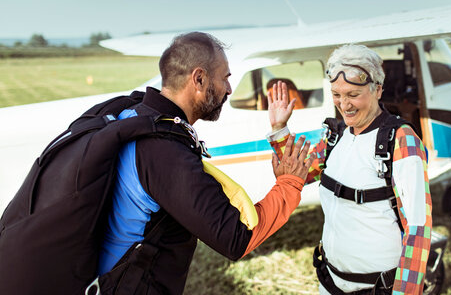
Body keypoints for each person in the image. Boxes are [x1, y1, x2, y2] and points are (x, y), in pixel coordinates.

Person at [96, 32, 315, 294]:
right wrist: (289, 184)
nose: (230, 89)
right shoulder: (164, 150)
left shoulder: (136, 114)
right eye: (225, 78)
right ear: (199, 79)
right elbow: (237, 237)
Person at [266, 44, 432, 295]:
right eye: (336, 94)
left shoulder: (401, 141)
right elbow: (299, 173)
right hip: (329, 283)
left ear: (377, 89)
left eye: (353, 94)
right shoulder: (335, 137)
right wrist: (280, 128)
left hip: (376, 289)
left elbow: (418, 229)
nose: (344, 105)